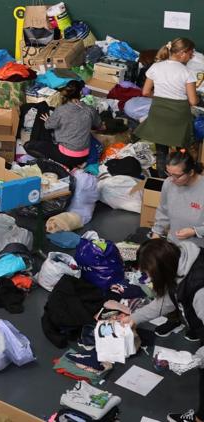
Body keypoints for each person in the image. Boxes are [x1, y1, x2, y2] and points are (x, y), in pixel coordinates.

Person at [120, 239, 203, 422]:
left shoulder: (200, 290)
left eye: (151, 274)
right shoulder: (179, 261)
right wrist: (133, 318)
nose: (149, 279)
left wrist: (197, 358)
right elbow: (167, 301)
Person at [139, 38, 199, 171]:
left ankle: (162, 180)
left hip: (158, 112)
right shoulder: (187, 72)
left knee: (161, 150)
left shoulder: (156, 67)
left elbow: (145, 92)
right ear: (182, 53)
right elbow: (193, 101)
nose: (192, 56)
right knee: (181, 149)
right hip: (178, 114)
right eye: (191, 53)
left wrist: (159, 96)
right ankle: (182, 173)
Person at [35, 80, 100, 168]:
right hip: (84, 156)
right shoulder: (90, 109)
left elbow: (48, 126)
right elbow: (99, 126)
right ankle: (77, 164)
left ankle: (59, 164)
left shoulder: (61, 110)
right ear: (81, 92)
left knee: (29, 146)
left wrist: (48, 120)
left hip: (67, 156)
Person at [153, 150, 204, 248]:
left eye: (177, 176)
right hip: (174, 245)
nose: (172, 179)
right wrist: (156, 233)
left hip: (199, 249)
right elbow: (163, 211)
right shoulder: (168, 183)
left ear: (191, 172)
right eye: (169, 174)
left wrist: (195, 231)